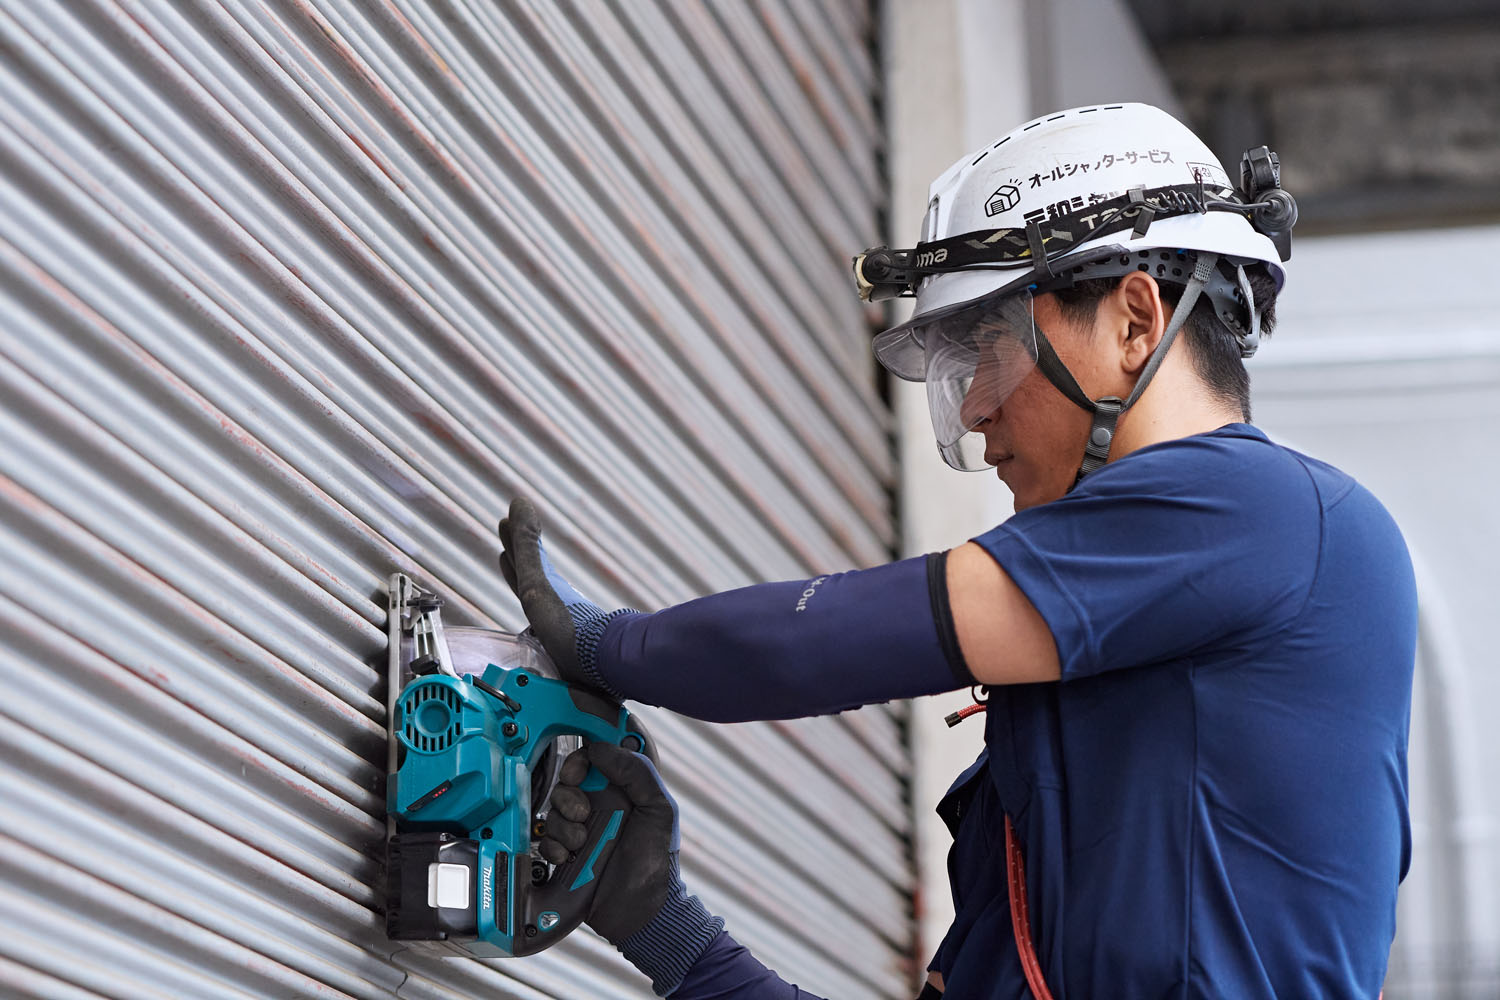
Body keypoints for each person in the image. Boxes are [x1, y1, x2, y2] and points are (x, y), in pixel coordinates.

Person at [498, 103, 1415, 999]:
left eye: (995, 347)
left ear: (1137, 319)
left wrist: (610, 645)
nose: (976, 408)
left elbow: (832, 639)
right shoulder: (1091, 717)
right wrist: (667, 931)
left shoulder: (1271, 513)